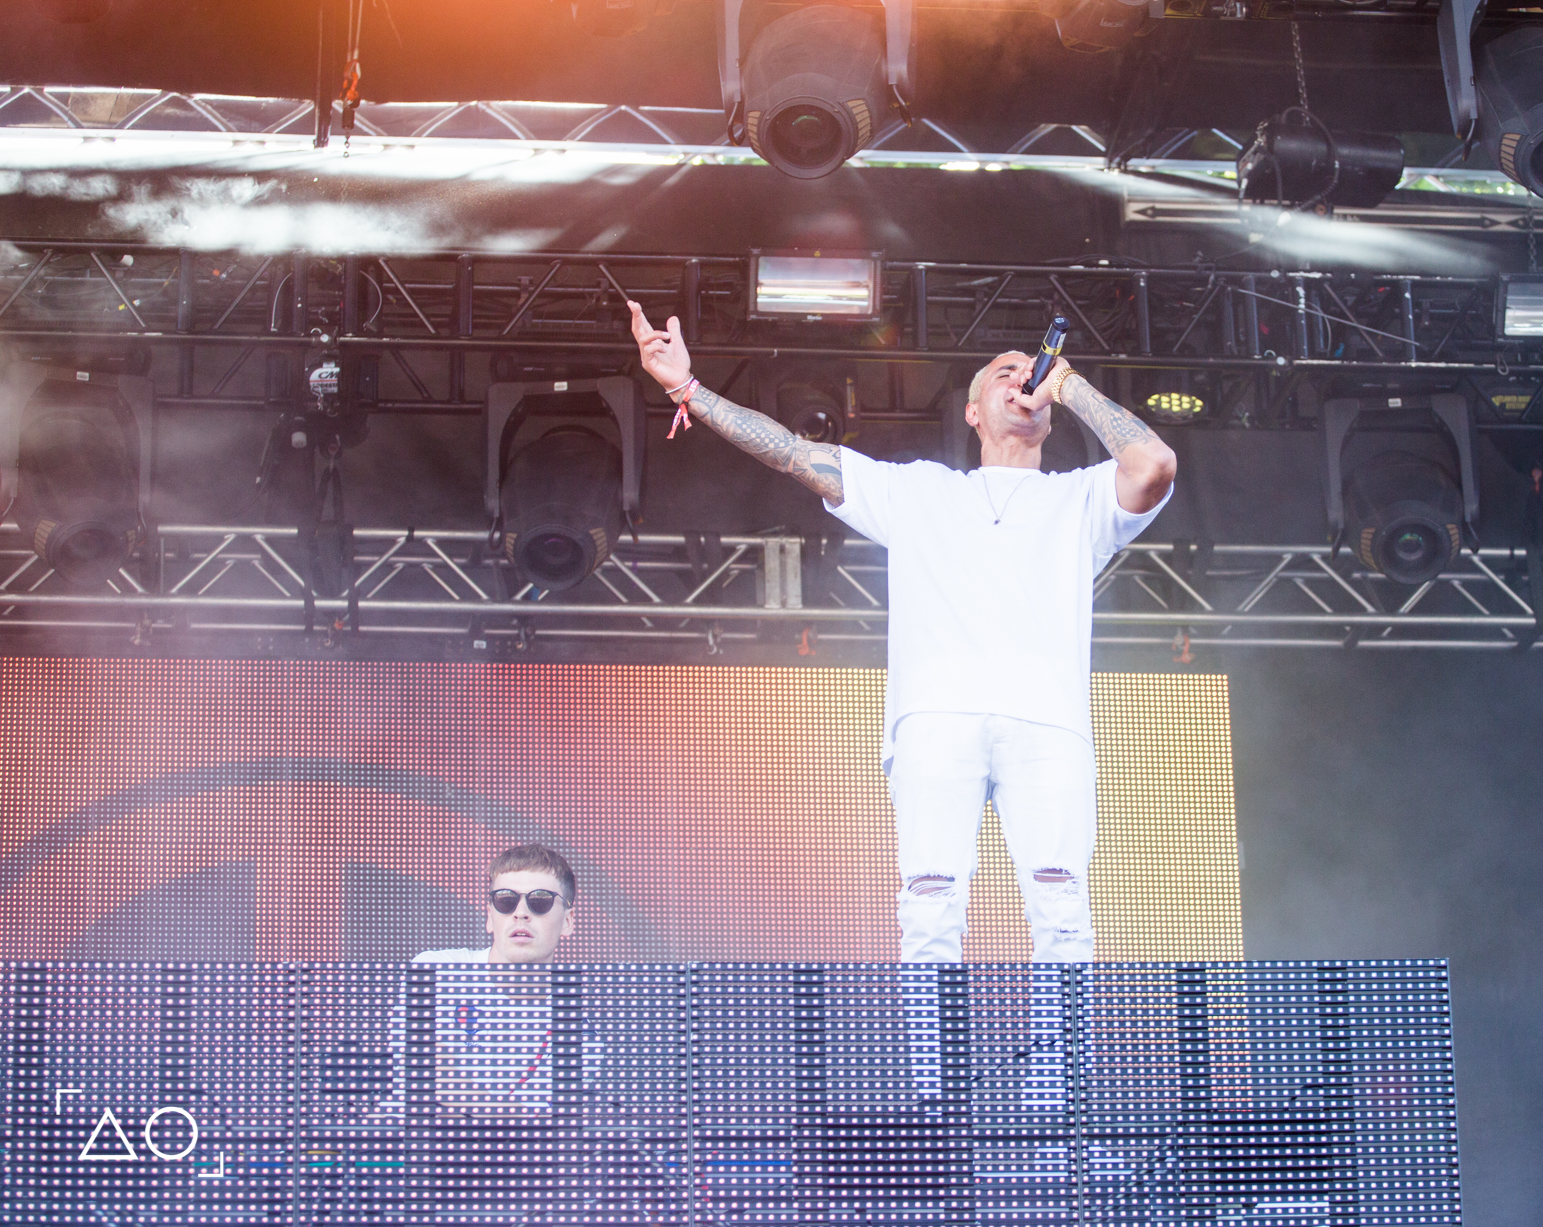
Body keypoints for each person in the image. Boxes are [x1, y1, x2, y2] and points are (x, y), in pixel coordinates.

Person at [630, 300, 1176, 964]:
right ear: (972, 411)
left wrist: (1067, 382)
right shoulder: (917, 490)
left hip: (1048, 721)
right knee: (930, 902)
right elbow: (792, 453)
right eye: (1003, 373)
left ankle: (1060, 1041)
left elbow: (1153, 464)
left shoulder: (1082, 497)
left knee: (1062, 906)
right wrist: (688, 390)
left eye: (1030, 372)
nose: (1021, 378)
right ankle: (931, 1040)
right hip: (935, 718)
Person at [384, 844, 584, 1122]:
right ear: (490, 917)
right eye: (505, 900)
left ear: (568, 922)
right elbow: (422, 1070)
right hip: (409, 1142)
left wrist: (462, 1098)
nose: (520, 913)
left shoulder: (579, 1027)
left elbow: (527, 1122)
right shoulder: (437, 970)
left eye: (540, 901)